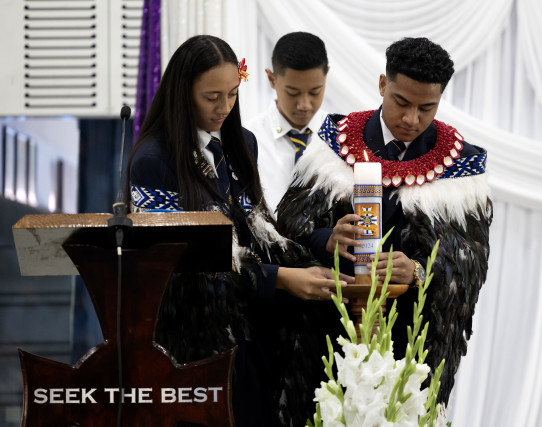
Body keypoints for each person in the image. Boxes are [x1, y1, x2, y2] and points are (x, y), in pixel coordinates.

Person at [125, 35, 350, 427]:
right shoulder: (153, 162)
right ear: (182, 93)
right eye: (211, 97)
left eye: (232, 94)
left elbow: (260, 233)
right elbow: (182, 266)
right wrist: (279, 278)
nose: (224, 108)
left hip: (250, 328)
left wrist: (319, 243)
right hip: (192, 340)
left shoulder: (240, 143)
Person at [277, 37, 493, 412]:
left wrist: (420, 270)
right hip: (328, 331)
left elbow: (470, 262)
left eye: (427, 108)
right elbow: (285, 226)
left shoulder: (462, 165)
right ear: (382, 84)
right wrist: (326, 238)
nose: (411, 119)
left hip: (411, 342)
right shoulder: (335, 141)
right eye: (401, 102)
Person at [246, 32, 330, 217]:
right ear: (272, 79)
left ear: (326, 76)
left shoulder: (342, 136)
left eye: (315, 92)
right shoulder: (247, 140)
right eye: (293, 93)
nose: (304, 105)